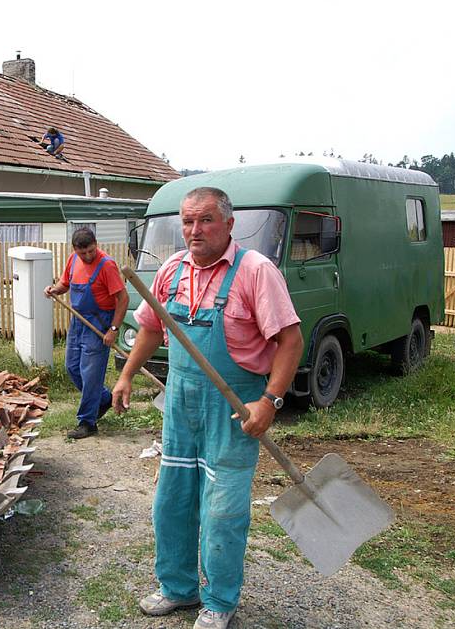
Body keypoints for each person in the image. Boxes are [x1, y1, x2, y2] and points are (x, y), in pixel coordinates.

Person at [111, 187, 303, 629]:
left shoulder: (256, 272)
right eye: (187, 222)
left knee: (222, 510)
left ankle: (219, 600)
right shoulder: (172, 270)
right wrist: (124, 375)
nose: (194, 231)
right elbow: (150, 330)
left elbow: (290, 341)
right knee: (172, 501)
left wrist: (270, 401)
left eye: (206, 221)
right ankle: (178, 589)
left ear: (229, 225)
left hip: (234, 408)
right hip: (180, 404)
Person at [45, 228, 129, 439]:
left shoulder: (106, 265)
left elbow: (123, 298)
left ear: (96, 244)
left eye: (92, 251)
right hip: (78, 322)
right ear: (75, 250)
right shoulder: (73, 260)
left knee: (91, 374)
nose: (89, 256)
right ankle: (103, 399)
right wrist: (54, 289)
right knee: (72, 367)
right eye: (84, 253)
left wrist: (113, 329)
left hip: (99, 323)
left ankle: (87, 422)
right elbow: (65, 283)